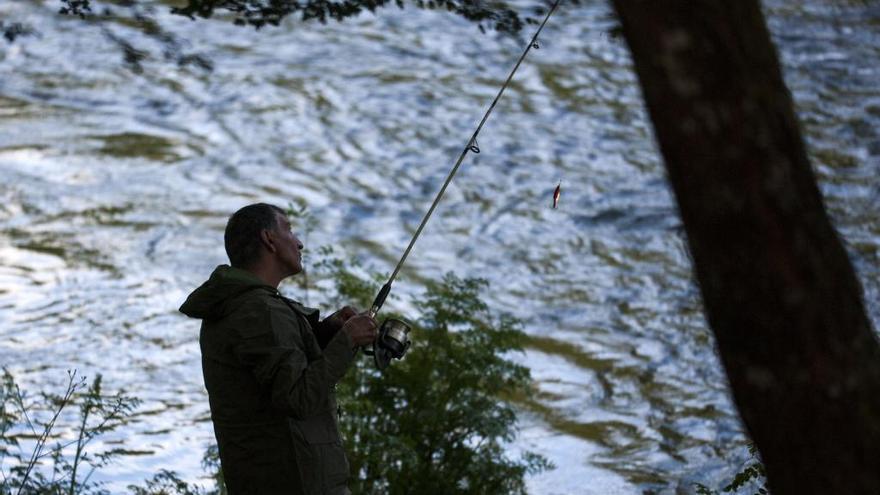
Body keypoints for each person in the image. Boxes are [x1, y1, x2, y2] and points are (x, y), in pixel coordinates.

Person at [179, 203, 377, 494]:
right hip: (299, 483)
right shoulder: (261, 310)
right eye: (289, 229)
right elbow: (297, 397)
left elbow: (270, 373)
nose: (298, 242)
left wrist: (326, 332)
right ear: (269, 239)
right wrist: (347, 340)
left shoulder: (238, 305)